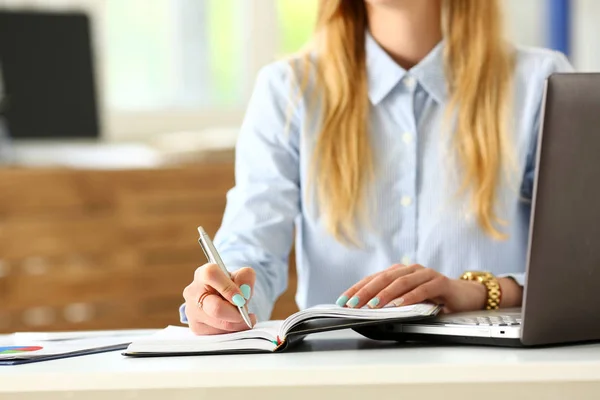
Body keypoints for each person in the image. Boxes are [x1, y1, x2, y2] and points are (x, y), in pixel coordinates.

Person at [181, 0, 573, 335]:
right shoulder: (287, 90)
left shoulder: (541, 82)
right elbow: (253, 250)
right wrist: (224, 295)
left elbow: (581, 271)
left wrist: (479, 291)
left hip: (499, 378)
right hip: (340, 377)